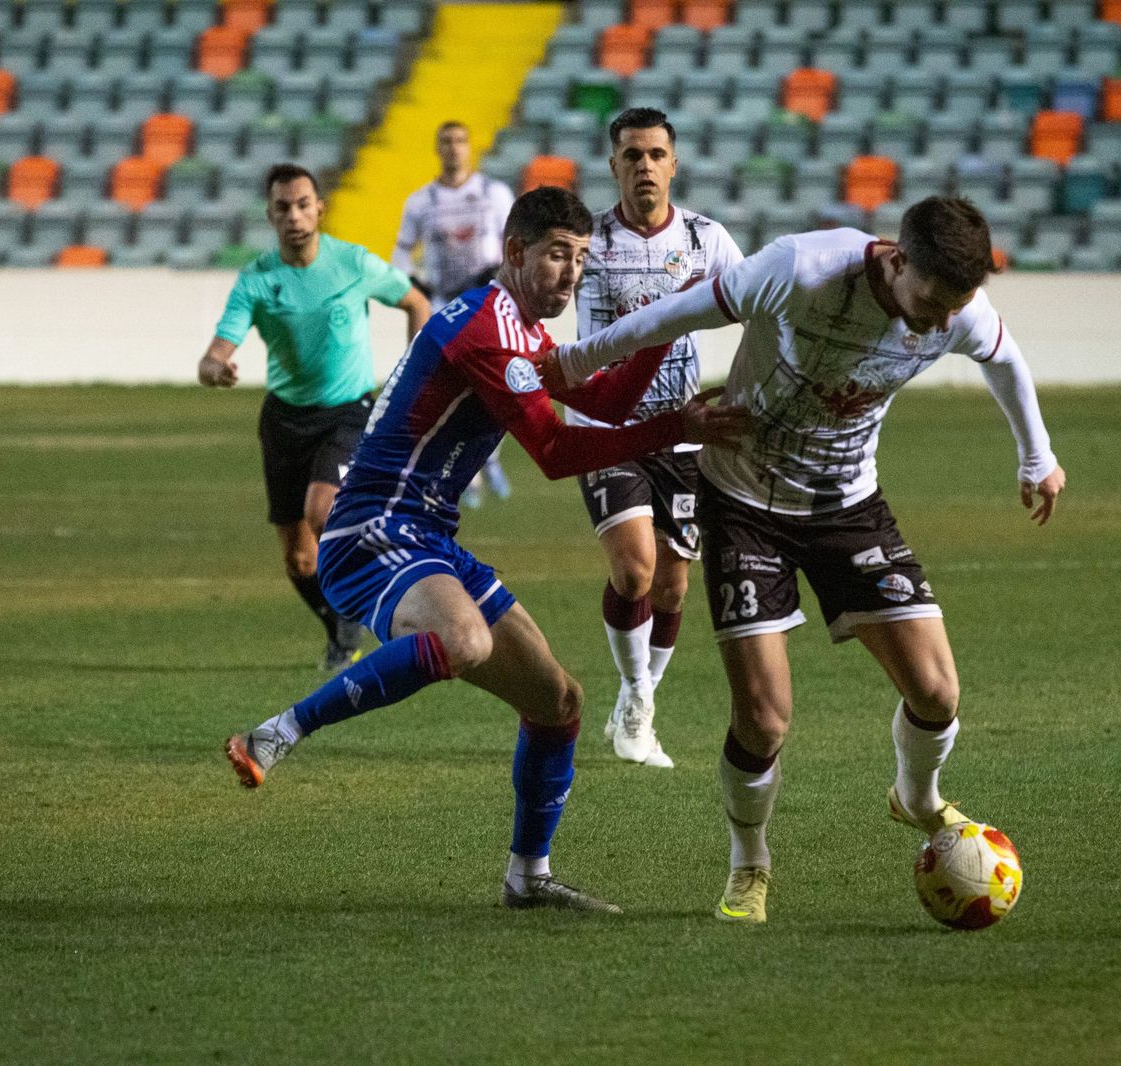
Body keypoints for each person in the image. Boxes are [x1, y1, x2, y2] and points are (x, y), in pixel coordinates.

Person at [224, 186, 750, 913]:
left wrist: (667, 320)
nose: (571, 274)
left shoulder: (521, 332)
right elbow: (558, 449)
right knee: (464, 639)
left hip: (427, 535)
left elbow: (607, 400)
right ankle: (278, 732)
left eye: (581, 259)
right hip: (371, 530)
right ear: (513, 253)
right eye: (557, 257)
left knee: (559, 702)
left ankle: (526, 878)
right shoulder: (486, 329)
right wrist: (674, 428)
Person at [548, 196, 1067, 924]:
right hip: (743, 503)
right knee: (764, 720)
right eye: (932, 301)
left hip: (847, 506)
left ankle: (915, 797)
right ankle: (749, 863)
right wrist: (578, 359)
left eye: (958, 305)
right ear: (896, 260)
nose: (943, 321)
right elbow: (680, 313)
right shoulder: (802, 268)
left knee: (938, 692)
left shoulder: (957, 310)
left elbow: (1005, 358)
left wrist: (1036, 456)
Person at [199, 163, 430, 672]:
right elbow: (219, 348)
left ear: (320, 208)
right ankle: (339, 628)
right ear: (270, 215)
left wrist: (411, 377)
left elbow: (417, 304)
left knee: (323, 510)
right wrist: (214, 366)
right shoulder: (258, 279)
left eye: (303, 204)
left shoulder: (352, 263)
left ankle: (389, 603)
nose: (295, 215)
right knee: (299, 559)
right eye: (283, 207)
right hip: (283, 420)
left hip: (347, 411)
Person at [568, 107, 744, 769]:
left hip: (681, 434)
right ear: (613, 165)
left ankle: (634, 703)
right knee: (634, 569)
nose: (644, 166)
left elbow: (756, 305)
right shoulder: (587, 241)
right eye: (631, 155)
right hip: (607, 430)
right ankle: (639, 703)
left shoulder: (707, 240)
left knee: (671, 588)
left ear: (674, 163)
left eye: (655, 155)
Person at [392, 121, 517, 507]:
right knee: (448, 387)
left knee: (496, 383)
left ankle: (489, 458)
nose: (454, 148)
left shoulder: (493, 194)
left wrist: (497, 275)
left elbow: (516, 245)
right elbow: (399, 256)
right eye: (446, 140)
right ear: (437, 147)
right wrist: (419, 286)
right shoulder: (420, 202)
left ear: (470, 147)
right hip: (445, 304)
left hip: (488, 301)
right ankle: (465, 471)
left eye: (460, 140)